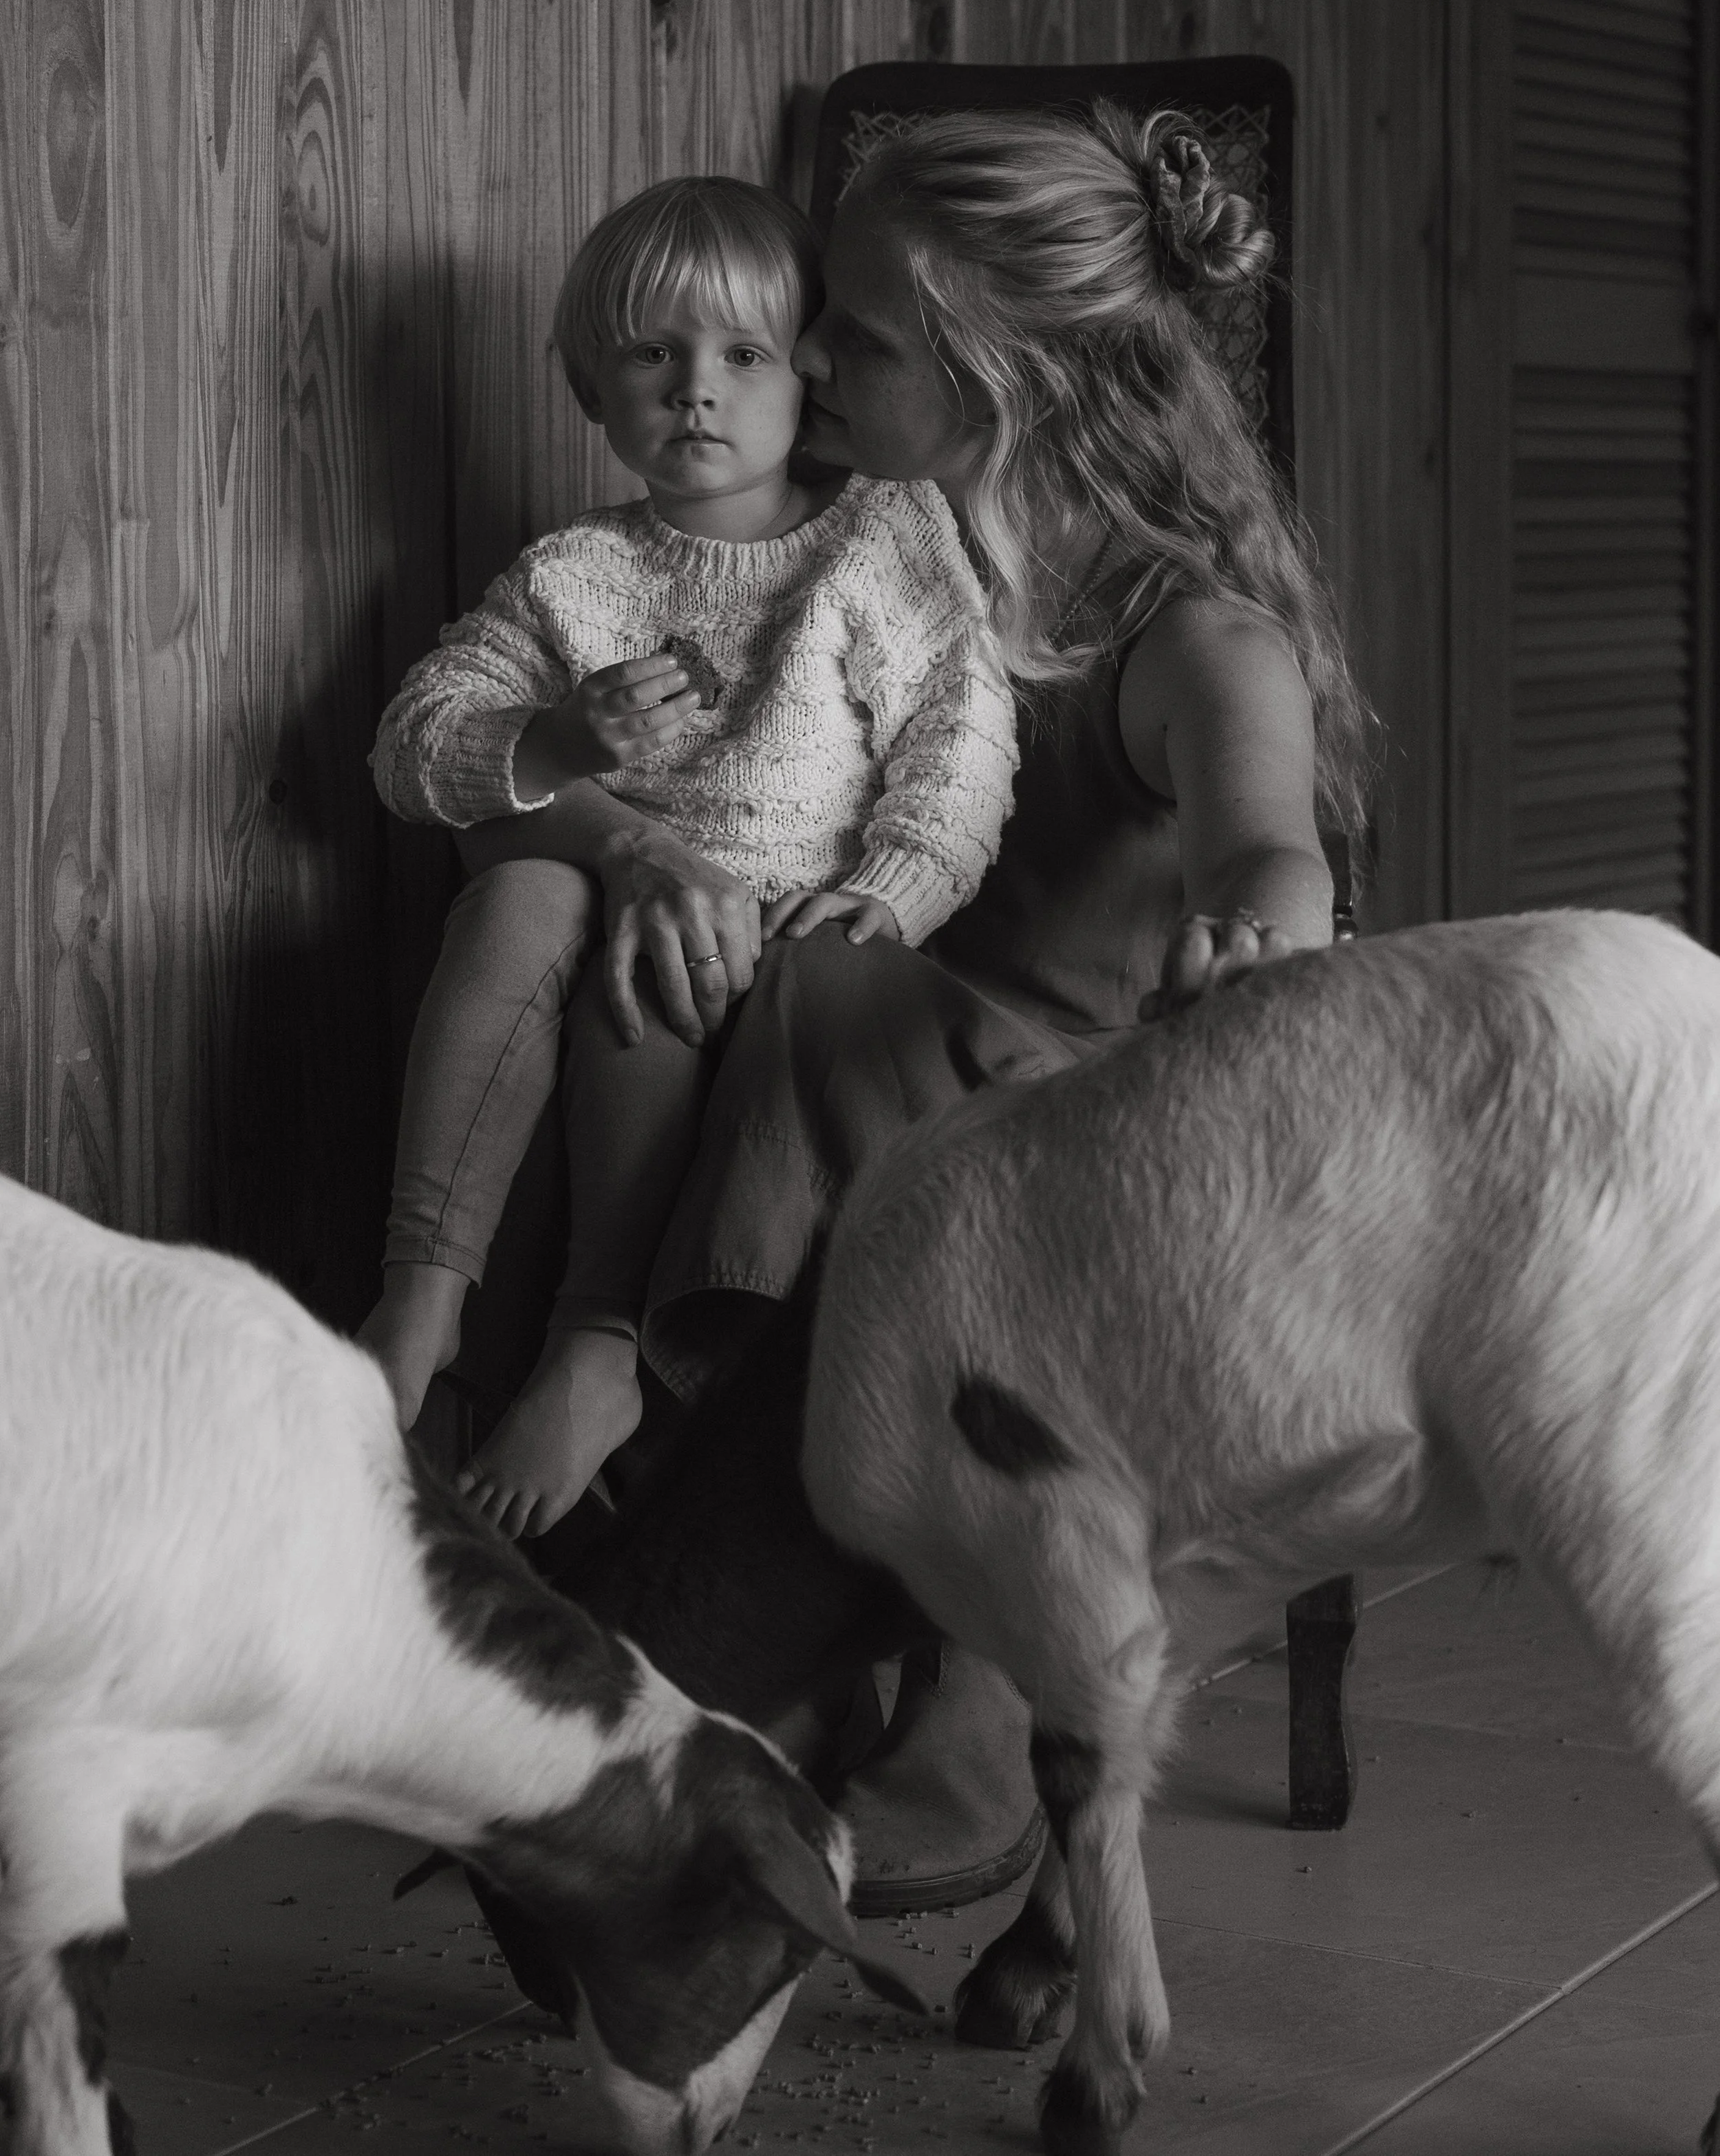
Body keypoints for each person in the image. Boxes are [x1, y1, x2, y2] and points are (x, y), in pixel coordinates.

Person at [451, 98, 1377, 1913]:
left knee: (823, 1005)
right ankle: (661, 1501)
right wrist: (647, 859)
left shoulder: (1178, 635)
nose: (801, 358)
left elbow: (1266, 839)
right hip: (859, 1105)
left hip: (1088, 1150)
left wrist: (1258, 935)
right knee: (705, 965)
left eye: (854, 333)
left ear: (994, 367)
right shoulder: (871, 570)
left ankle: (871, 1660)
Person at [359, 175, 1018, 1535]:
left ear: (808, 377)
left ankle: (601, 1339)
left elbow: (958, 740)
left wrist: (886, 893)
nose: (695, 391)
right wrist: (548, 737)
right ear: (593, 389)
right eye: (650, 355)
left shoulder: (879, 539)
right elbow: (412, 744)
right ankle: (420, 1292)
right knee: (528, 889)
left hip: (794, 938)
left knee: (636, 954)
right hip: (614, 902)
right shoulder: (569, 575)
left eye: (740, 354)